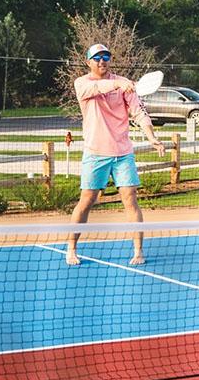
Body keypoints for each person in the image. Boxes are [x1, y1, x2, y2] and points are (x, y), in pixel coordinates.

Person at [66, 43, 166, 266]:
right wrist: (119, 83)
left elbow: (139, 113)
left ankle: (138, 251)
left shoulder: (125, 86)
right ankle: (71, 248)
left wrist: (151, 137)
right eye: (97, 57)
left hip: (123, 153)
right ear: (88, 62)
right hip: (95, 153)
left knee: (130, 199)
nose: (102, 61)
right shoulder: (82, 83)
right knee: (86, 201)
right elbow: (96, 89)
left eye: (106, 57)